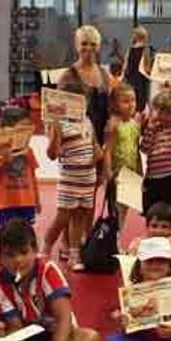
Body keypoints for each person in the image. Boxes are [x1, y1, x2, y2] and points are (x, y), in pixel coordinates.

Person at [0, 219, 102, 341]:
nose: (18, 260)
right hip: (28, 339)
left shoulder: (47, 270)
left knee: (92, 339)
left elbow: (64, 318)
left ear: (35, 250)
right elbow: (15, 328)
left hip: (59, 336)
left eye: (24, 252)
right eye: (9, 255)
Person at [43, 82, 104, 270]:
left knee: (80, 215)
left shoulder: (87, 121)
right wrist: (54, 134)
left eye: (81, 102)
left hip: (87, 177)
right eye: (73, 102)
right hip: (70, 177)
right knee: (63, 215)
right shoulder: (59, 123)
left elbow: (95, 147)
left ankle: (74, 254)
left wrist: (100, 153)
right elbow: (52, 154)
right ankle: (45, 249)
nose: (78, 106)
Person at [140, 86, 171, 222]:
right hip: (152, 177)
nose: (163, 115)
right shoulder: (153, 127)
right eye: (160, 110)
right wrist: (150, 130)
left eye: (168, 112)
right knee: (151, 213)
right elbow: (144, 149)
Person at [57, 24, 111, 150]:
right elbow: (59, 113)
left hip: (102, 139)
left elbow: (110, 106)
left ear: (98, 47)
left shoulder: (104, 73)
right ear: (76, 46)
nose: (89, 48)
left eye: (93, 44)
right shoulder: (68, 76)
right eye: (84, 43)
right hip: (78, 142)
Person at [0, 106, 41, 228]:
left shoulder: (28, 150)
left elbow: (33, 177)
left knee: (27, 235)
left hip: (27, 202)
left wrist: (37, 201)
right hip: (6, 202)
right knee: (7, 235)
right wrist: (4, 162)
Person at [104, 83, 142, 236]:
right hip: (118, 173)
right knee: (115, 209)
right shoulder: (113, 125)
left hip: (131, 172)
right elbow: (108, 150)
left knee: (125, 208)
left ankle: (118, 237)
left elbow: (136, 149)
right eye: (125, 101)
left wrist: (140, 171)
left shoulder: (135, 125)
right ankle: (113, 240)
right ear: (115, 104)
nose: (130, 104)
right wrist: (108, 173)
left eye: (133, 100)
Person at [123, 26, 153, 114]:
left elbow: (125, 67)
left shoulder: (130, 50)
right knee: (141, 106)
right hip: (142, 80)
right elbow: (147, 68)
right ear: (144, 36)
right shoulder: (146, 50)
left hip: (131, 80)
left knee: (132, 103)